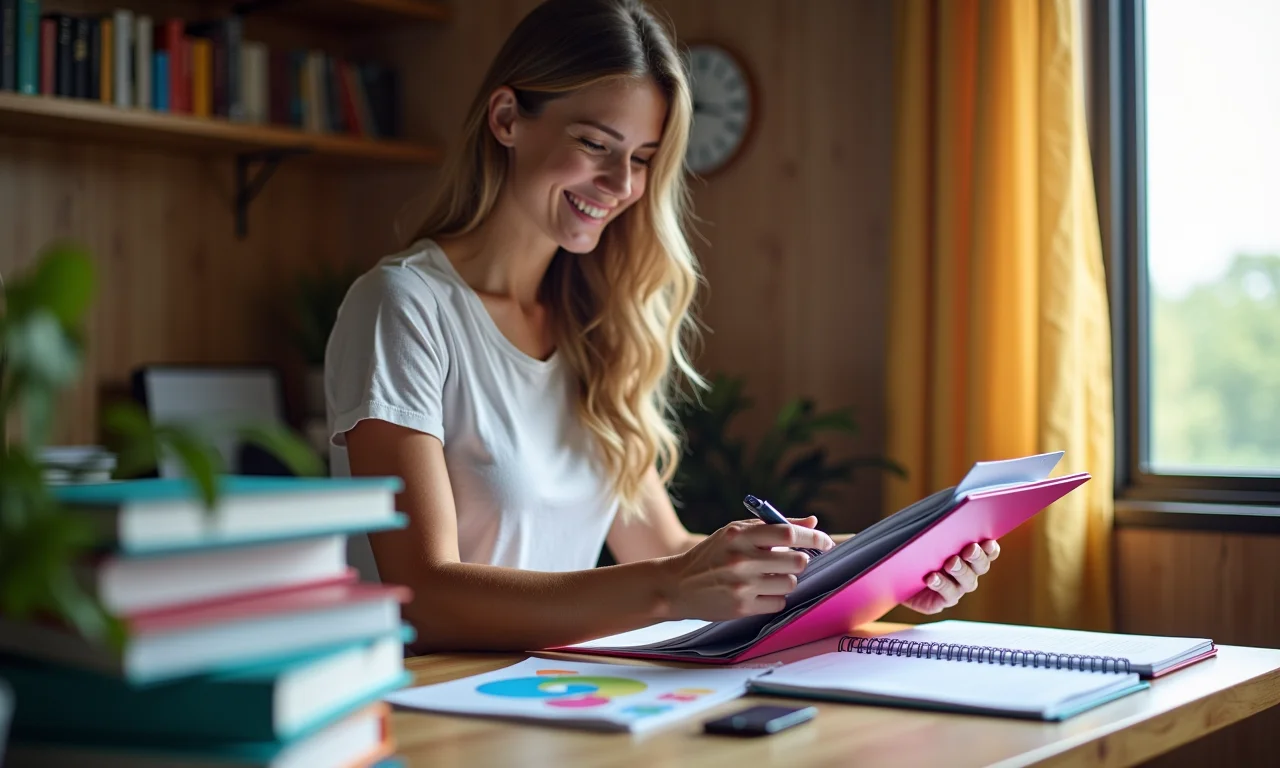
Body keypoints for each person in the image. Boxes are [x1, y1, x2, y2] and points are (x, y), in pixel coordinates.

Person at [325, 0, 1000, 654]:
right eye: (596, 144)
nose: (619, 182)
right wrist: (669, 587)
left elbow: (667, 552)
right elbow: (423, 595)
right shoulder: (403, 305)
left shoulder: (595, 331)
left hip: (547, 706)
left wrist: (886, 560)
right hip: (430, 713)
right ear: (507, 117)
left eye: (643, 158)